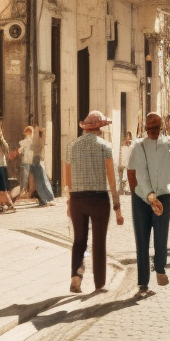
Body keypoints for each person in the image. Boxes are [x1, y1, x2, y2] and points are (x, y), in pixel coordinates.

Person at [63, 111, 124, 293]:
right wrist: (117, 207)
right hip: (98, 198)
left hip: (77, 199)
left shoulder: (71, 146)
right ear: (100, 129)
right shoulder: (105, 146)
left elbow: (67, 178)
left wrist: (68, 202)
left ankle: (76, 276)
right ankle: (99, 283)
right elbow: (112, 179)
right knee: (99, 241)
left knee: (79, 239)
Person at [126, 112, 170, 298]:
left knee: (161, 235)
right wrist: (138, 192)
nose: (152, 132)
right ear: (145, 129)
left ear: (161, 127)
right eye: (149, 129)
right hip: (141, 199)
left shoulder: (169, 145)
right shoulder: (138, 146)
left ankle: (160, 269)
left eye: (155, 128)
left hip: (163, 195)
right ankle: (143, 283)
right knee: (141, 240)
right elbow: (131, 171)